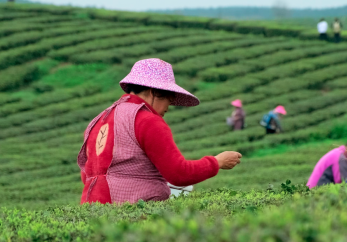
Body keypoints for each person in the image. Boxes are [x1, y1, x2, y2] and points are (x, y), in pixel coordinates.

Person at [78, 58, 242, 204]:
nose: (167, 108)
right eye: (168, 100)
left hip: (90, 209)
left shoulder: (99, 119)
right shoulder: (147, 120)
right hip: (130, 213)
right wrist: (217, 162)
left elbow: (86, 174)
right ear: (154, 92)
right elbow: (178, 173)